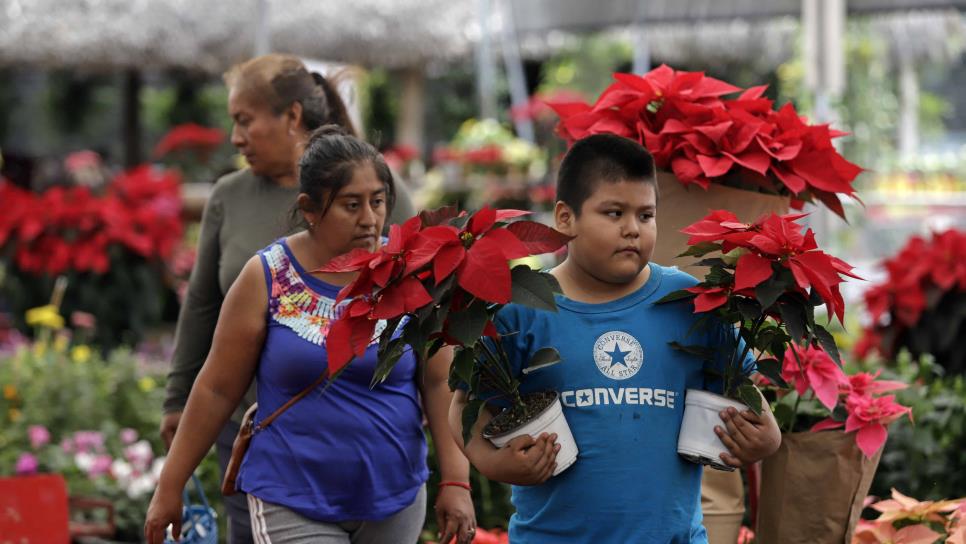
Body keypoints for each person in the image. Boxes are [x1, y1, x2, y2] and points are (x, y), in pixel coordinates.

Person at [147, 126, 475, 544]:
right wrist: (170, 486)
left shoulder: (411, 270)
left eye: (377, 202)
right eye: (350, 205)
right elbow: (216, 389)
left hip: (395, 498)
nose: (370, 219)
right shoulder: (266, 277)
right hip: (290, 497)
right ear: (309, 209)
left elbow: (438, 378)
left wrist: (457, 482)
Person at [448, 133, 781, 543]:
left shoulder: (687, 301)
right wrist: (495, 464)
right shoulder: (523, 310)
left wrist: (767, 436)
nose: (632, 230)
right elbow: (464, 408)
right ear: (565, 218)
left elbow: (745, 392)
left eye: (646, 215)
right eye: (613, 213)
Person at [160, 54, 415, 543]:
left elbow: (421, 286)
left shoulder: (370, 183)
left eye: (244, 120)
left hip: (370, 448)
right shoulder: (229, 196)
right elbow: (201, 306)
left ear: (292, 117)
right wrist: (177, 399)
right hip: (257, 435)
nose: (235, 137)